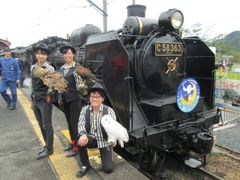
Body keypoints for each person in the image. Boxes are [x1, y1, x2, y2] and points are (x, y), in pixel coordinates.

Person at [76, 82, 116, 178]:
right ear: (89, 98)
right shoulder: (85, 109)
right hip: (92, 138)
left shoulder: (109, 111)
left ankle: (107, 156)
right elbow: (80, 124)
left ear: (102, 99)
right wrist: (82, 134)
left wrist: (112, 139)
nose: (94, 99)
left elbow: (113, 129)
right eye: (92, 96)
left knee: (108, 169)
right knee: (80, 142)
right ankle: (85, 165)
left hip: (104, 141)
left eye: (97, 97)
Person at [30, 43, 55, 160]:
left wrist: (49, 94)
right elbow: (32, 84)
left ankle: (50, 149)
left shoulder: (49, 68)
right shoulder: (33, 67)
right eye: (38, 53)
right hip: (35, 99)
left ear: (46, 56)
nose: (40, 56)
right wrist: (31, 99)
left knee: (47, 124)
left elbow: (52, 85)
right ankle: (46, 146)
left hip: (44, 100)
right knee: (40, 124)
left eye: (43, 54)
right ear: (36, 55)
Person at [59, 44, 83, 157]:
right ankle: (73, 142)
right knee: (69, 123)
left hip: (74, 100)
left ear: (73, 55)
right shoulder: (62, 68)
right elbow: (60, 84)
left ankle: (77, 147)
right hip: (65, 100)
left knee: (75, 124)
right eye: (65, 53)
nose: (67, 55)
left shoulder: (76, 68)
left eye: (69, 53)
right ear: (63, 56)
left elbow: (81, 86)